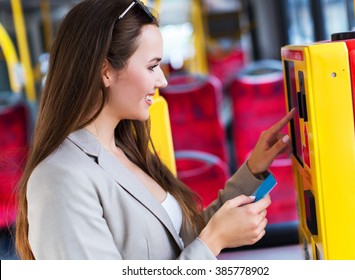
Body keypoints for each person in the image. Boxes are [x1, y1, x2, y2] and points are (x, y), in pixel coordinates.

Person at [15, 0, 295, 260]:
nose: (162, 80)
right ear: (105, 71)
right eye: (152, 67)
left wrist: (255, 168)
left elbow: (182, 241)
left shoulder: (127, 151)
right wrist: (214, 241)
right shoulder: (59, 178)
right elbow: (201, 245)